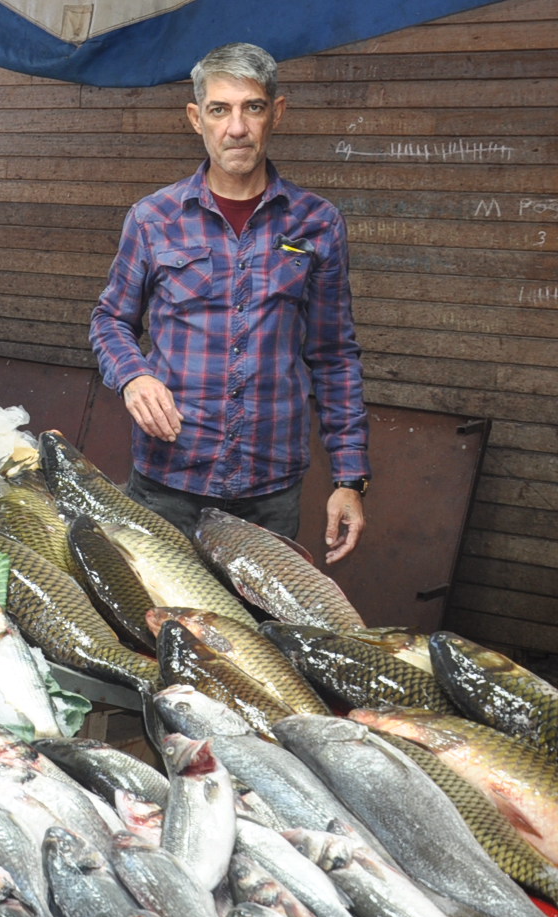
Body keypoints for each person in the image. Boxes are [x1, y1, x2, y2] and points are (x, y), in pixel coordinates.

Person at [89, 43, 369, 561]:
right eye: (220, 109)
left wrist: (350, 477)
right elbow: (110, 319)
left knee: (251, 635)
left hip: (269, 491)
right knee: (155, 623)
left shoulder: (317, 223)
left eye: (252, 108)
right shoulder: (154, 218)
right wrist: (134, 375)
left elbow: (334, 355)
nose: (236, 128)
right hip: (168, 480)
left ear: (276, 114)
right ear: (197, 118)